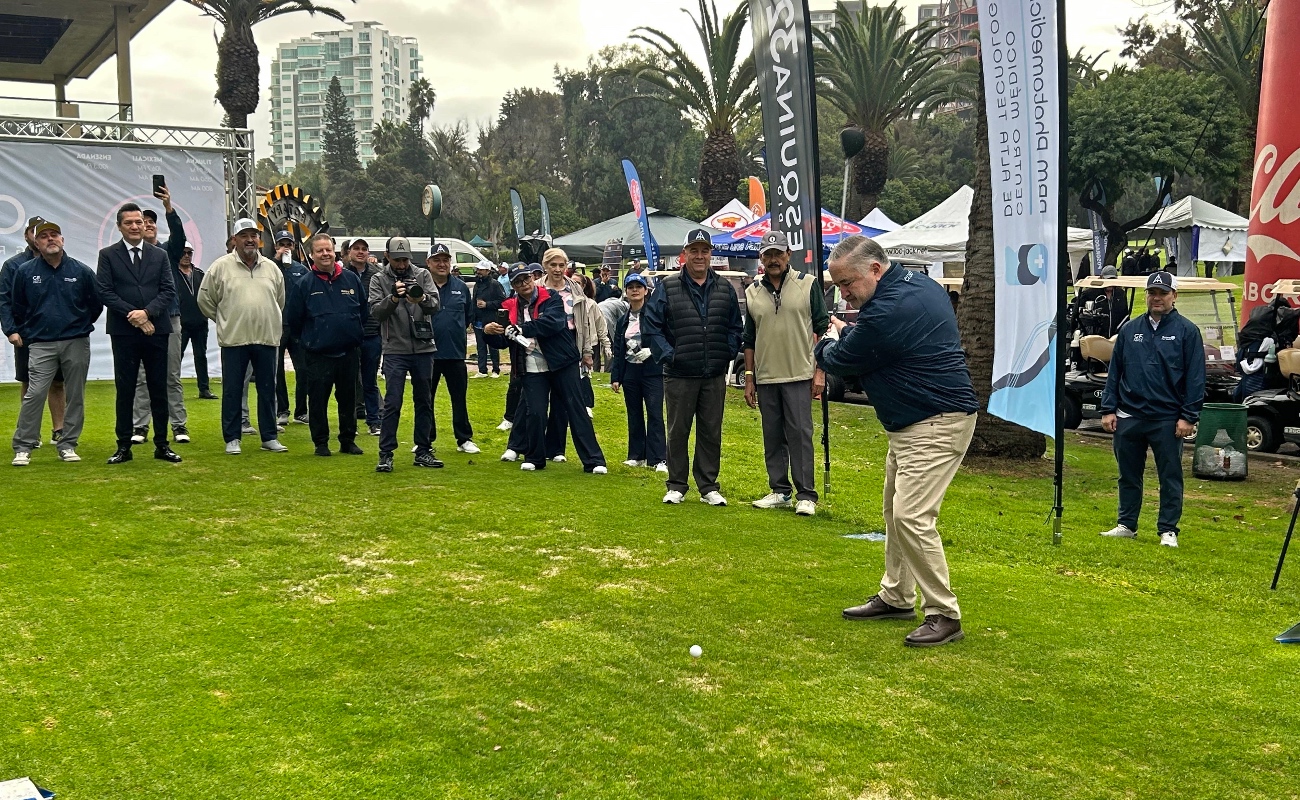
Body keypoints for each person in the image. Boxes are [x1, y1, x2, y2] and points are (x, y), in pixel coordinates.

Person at [816, 236, 979, 648]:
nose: (844, 293)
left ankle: (944, 613)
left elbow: (839, 361)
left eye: (847, 283)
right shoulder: (920, 286)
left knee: (910, 516)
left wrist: (828, 342)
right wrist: (851, 332)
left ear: (875, 270)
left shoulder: (889, 310)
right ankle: (896, 596)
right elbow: (879, 341)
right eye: (837, 286)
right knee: (894, 512)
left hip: (935, 423)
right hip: (913, 423)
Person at [1099, 271, 1206, 548]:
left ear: (1174, 296)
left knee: (1170, 476)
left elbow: (1195, 378)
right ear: (1146, 295)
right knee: (1128, 474)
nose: (1156, 298)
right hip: (1129, 415)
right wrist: (1108, 409)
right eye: (1152, 293)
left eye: (1163, 293)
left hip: (1167, 419)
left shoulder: (1187, 331)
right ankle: (1127, 524)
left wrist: (1188, 416)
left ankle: (1168, 530)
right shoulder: (1129, 329)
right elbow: (1115, 372)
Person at [641, 228, 743, 506]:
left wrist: (727, 353)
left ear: (711, 254)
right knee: (678, 430)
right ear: (683, 255)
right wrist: (670, 356)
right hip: (678, 374)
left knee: (711, 431)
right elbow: (651, 327)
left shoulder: (725, 288)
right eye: (694, 251)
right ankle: (676, 484)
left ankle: (708, 486)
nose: (699, 256)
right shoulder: (668, 287)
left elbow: (736, 327)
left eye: (704, 250)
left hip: (713, 374)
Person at [484, 265, 607, 474]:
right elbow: (504, 342)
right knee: (536, 412)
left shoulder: (550, 297)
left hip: (562, 362)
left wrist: (522, 328)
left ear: (533, 278)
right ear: (512, 285)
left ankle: (594, 460)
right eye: (518, 282)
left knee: (576, 409)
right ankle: (534, 457)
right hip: (531, 365)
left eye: (526, 279)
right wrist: (490, 332)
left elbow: (554, 323)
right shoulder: (509, 306)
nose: (524, 284)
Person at [743, 231, 830, 516]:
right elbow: (749, 339)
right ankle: (780, 490)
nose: (773, 259)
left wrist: (820, 372)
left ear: (788, 255)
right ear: (761, 258)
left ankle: (806, 494)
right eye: (768, 255)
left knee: (800, 435)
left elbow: (822, 328)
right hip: (767, 376)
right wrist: (749, 377)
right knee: (772, 436)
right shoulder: (752, 291)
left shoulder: (808, 284)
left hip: (799, 374)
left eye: (778, 254)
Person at [8, 220, 102, 465]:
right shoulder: (25, 271)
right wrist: (27, 330)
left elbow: (95, 304)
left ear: (62, 240)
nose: (50, 239)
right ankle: (23, 446)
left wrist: (77, 325)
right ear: (36, 243)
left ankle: (68, 444)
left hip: (76, 341)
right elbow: (18, 307)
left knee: (76, 395)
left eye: (54, 235)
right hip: (40, 343)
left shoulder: (81, 271)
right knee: (35, 392)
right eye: (44, 236)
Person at [97, 202, 181, 464]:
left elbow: (168, 290)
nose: (135, 226)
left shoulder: (159, 255)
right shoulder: (108, 255)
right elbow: (104, 291)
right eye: (129, 223)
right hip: (124, 332)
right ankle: (123, 446)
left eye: (139, 222)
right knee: (125, 389)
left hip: (157, 330)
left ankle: (162, 445)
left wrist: (147, 313)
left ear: (145, 225)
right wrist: (134, 315)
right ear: (120, 226)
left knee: (159, 388)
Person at [197, 218, 288, 455]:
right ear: (234, 240)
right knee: (232, 390)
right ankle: (232, 437)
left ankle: (269, 437)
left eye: (254, 235)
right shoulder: (220, 267)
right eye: (244, 235)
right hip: (234, 340)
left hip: (266, 339)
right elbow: (205, 300)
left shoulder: (271, 268)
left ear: (259, 239)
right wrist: (224, 319)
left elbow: (279, 301)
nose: (250, 239)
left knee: (268, 390)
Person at [285, 233, 366, 457]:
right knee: (318, 400)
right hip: (318, 354)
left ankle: (348, 440)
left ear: (335, 252)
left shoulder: (351, 279)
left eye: (328, 249)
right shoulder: (304, 284)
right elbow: (295, 320)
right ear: (312, 255)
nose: (325, 254)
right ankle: (321, 442)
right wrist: (311, 340)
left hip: (348, 352)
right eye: (319, 250)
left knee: (348, 399)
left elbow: (363, 312)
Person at [369, 237, 440, 473]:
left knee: (424, 401)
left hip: (423, 347)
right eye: (397, 259)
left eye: (405, 259)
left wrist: (421, 298)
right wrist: (394, 298)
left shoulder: (422, 275)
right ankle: (386, 453)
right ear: (387, 257)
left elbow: (435, 305)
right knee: (393, 402)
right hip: (395, 349)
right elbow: (376, 312)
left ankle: (423, 450)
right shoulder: (379, 278)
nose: (402, 264)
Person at [129, 190, 190, 445]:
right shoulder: (132, 256)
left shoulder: (168, 252)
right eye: (145, 222)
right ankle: (140, 427)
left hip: (170, 319)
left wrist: (168, 207)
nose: (149, 225)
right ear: (138, 229)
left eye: (152, 222)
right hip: (142, 323)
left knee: (171, 376)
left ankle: (178, 425)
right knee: (142, 376)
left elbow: (180, 236)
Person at [1, 216, 67, 446]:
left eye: (50, 233)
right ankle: (31, 433)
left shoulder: (63, 263)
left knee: (58, 383)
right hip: (27, 334)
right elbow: (5, 301)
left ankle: (59, 429)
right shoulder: (13, 265)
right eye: (35, 232)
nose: (45, 237)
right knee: (29, 383)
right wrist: (11, 330)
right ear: (28, 237)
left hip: (58, 334)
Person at [539, 247, 606, 462]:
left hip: (569, 346)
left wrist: (587, 351)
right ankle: (524, 449)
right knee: (534, 403)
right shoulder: (537, 288)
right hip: (541, 348)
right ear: (545, 266)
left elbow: (584, 322)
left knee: (569, 401)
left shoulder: (575, 288)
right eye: (553, 265)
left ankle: (566, 452)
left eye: (562, 265)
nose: (558, 270)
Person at [425, 243, 480, 455]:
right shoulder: (423, 286)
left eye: (445, 260)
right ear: (428, 263)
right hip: (428, 353)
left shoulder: (461, 287)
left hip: (455, 353)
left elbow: (468, 316)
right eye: (437, 260)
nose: (442, 264)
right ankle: (425, 439)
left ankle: (464, 438)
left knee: (459, 398)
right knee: (425, 398)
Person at [609, 272, 666, 472]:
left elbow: (665, 338)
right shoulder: (623, 320)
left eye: (638, 287)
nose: (635, 290)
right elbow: (618, 348)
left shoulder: (654, 314)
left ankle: (659, 458)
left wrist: (653, 351)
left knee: (655, 414)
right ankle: (636, 455)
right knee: (634, 414)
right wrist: (616, 376)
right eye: (631, 287)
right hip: (631, 371)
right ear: (625, 291)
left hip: (652, 371)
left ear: (645, 290)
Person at [343, 238, 383, 435]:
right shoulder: (342, 274)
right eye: (356, 249)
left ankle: (374, 420)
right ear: (349, 252)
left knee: (370, 380)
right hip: (349, 335)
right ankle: (350, 423)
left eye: (364, 249)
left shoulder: (377, 274)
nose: (360, 252)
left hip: (371, 333)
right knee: (349, 381)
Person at [272, 230, 310, 426]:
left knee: (303, 369)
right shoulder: (270, 267)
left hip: (297, 326)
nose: (286, 247)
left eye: (289, 244)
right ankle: (282, 410)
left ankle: (301, 411)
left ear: (294, 247)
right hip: (277, 325)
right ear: (276, 246)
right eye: (282, 244)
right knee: (277, 370)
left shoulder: (301, 269)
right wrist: (277, 260)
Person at [175, 245, 217, 401]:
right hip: (181, 323)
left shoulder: (200, 274)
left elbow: (209, 295)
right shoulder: (172, 274)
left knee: (201, 356)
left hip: (200, 322)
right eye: (183, 252)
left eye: (189, 253)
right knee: (175, 357)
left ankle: (204, 389)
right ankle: (171, 388)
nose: (186, 256)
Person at [471, 260, 505, 378]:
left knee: (493, 346)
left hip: (490, 319)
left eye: (481, 270)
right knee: (480, 346)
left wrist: (487, 304)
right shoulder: (477, 284)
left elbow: (502, 301)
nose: (478, 272)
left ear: (488, 271)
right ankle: (482, 370)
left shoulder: (495, 284)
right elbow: (473, 301)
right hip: (477, 320)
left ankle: (496, 369)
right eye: (478, 269)